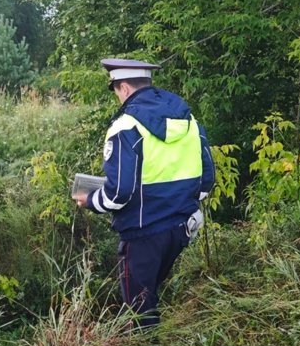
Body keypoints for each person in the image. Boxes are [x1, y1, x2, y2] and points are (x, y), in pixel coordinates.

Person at [73, 58, 215, 327]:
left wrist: (90, 200)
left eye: (116, 91)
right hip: (182, 227)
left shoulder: (125, 127)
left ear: (124, 88)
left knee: (138, 309)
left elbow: (119, 194)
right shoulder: (189, 120)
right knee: (148, 294)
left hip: (142, 234)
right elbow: (206, 181)